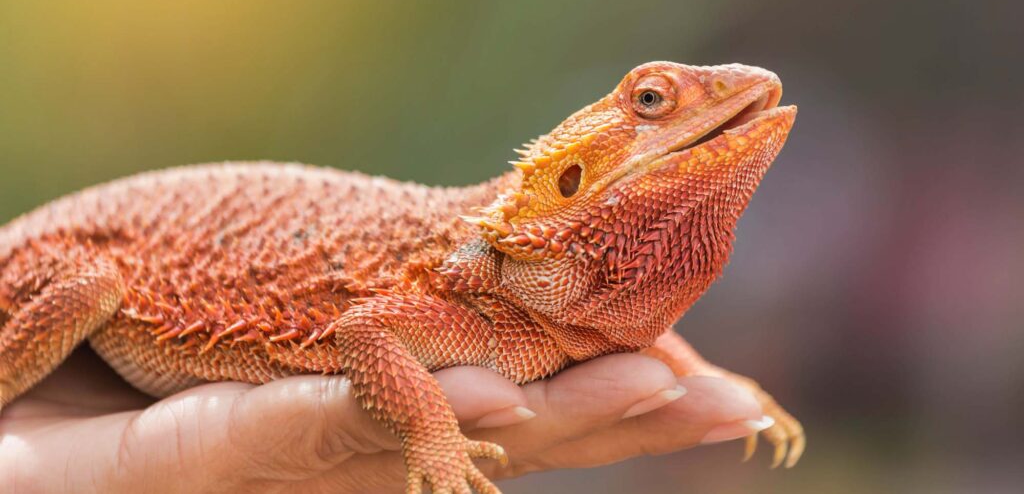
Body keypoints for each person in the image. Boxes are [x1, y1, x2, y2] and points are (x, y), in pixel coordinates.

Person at [1, 345, 771, 492]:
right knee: (86, 282)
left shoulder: (567, 296)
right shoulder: (478, 265)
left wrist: (696, 371)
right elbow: (367, 331)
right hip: (94, 272)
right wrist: (431, 432)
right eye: (650, 105)